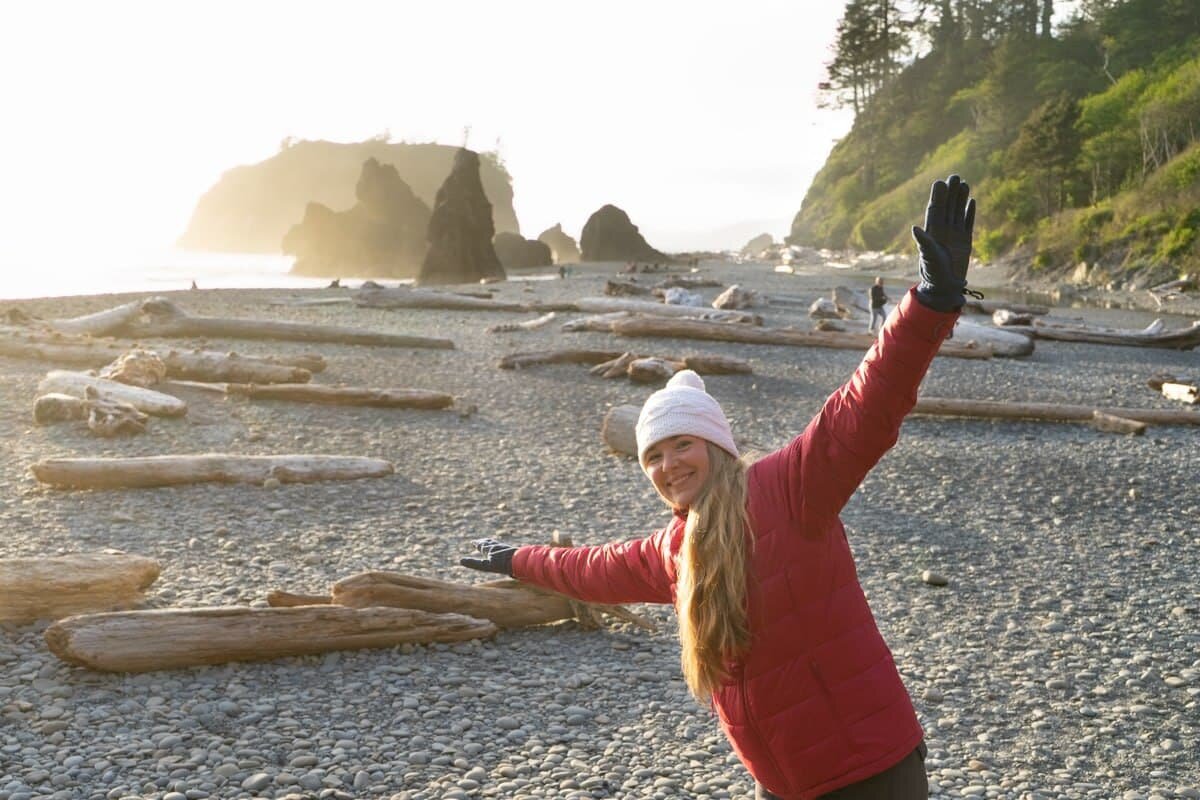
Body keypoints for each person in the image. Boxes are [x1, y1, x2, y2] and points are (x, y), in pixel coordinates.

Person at [461, 174, 978, 799]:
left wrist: (928, 303)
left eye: (683, 445)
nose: (670, 465)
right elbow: (590, 570)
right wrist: (518, 560)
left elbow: (865, 405)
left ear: (717, 447)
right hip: (785, 784)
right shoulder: (673, 553)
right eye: (653, 455)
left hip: (870, 770)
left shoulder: (789, 488)